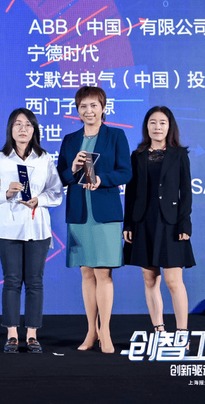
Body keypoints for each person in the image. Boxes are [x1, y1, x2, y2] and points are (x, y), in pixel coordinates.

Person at [57, 86, 131, 354]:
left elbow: (126, 172)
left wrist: (101, 179)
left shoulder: (115, 136)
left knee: (103, 273)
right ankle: (91, 331)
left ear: (103, 108)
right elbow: (61, 176)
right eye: (83, 106)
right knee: (86, 272)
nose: (88, 111)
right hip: (79, 213)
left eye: (93, 105)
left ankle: (106, 331)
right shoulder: (70, 140)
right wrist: (73, 169)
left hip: (105, 214)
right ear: (77, 111)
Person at [0, 108, 62, 354]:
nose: (23, 129)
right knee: (12, 280)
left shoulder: (44, 158)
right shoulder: (0, 158)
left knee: (35, 282)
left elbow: (56, 192)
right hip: (7, 229)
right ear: (10, 128)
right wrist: (7, 193)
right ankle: (11, 334)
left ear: (34, 130)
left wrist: (39, 200)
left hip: (37, 228)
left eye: (28, 124)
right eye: (18, 124)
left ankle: (31, 335)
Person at [123, 106, 195, 338]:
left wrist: (184, 224)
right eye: (152, 122)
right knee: (149, 279)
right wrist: (128, 224)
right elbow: (131, 193)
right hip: (143, 221)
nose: (157, 127)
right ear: (146, 126)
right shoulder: (137, 155)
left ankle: (182, 334)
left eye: (162, 122)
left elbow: (186, 192)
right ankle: (159, 331)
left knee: (174, 281)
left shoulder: (179, 154)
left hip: (171, 223)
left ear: (169, 126)